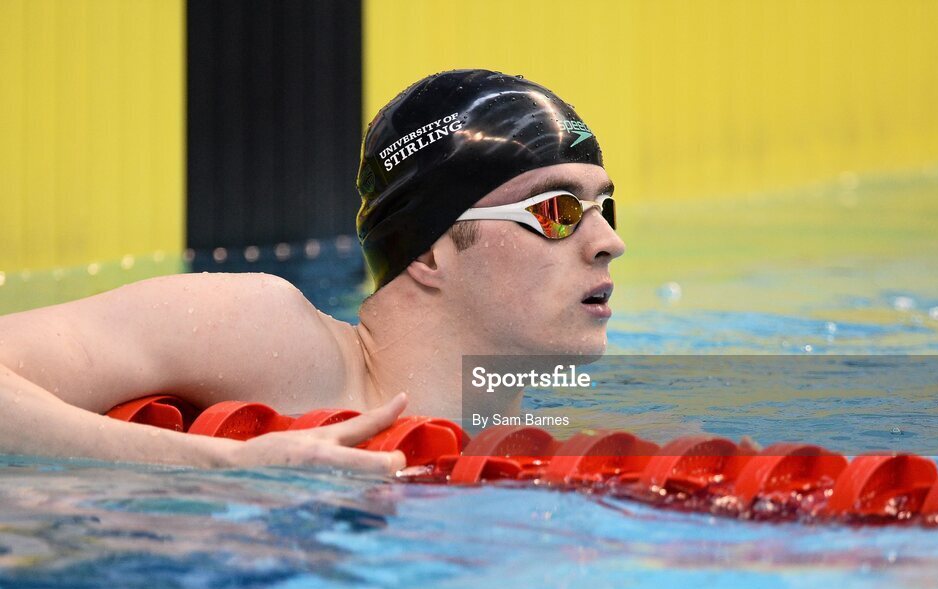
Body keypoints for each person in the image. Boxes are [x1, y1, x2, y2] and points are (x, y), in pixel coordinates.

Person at [0, 69, 625, 473]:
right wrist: (221, 466)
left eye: (604, 207)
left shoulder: (534, 446)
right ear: (430, 250)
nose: (609, 242)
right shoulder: (272, 337)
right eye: (556, 211)